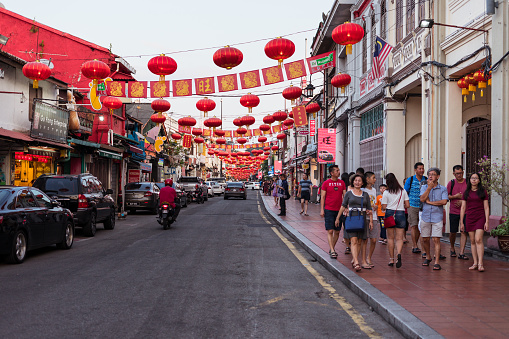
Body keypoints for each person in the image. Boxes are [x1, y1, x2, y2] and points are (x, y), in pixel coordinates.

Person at [335, 174, 372, 271]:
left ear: (362, 183)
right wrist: (338, 218)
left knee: (360, 241)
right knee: (354, 241)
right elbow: (343, 206)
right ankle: (356, 261)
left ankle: (355, 259)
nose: (357, 182)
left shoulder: (365, 195)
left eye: (359, 181)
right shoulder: (349, 194)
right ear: (353, 182)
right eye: (355, 180)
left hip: (362, 219)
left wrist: (370, 217)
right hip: (351, 218)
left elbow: (369, 208)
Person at [420, 168, 449, 270]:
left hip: (437, 217)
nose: (431, 176)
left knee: (436, 239)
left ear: (438, 176)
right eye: (429, 174)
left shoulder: (443, 189)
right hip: (426, 216)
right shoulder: (424, 187)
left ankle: (436, 261)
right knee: (425, 239)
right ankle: (428, 257)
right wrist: (429, 188)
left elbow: (444, 201)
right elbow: (422, 199)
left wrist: (431, 203)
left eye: (433, 174)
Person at [460, 172, 489, 272]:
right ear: (470, 180)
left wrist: (487, 221)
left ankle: (481, 263)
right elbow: (463, 207)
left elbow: (486, 207)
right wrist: (461, 222)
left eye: (476, 178)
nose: (474, 180)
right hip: (469, 217)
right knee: (472, 241)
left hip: (480, 217)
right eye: (472, 178)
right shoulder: (466, 192)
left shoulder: (483, 192)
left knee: (478, 239)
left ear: (479, 180)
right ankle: (475, 263)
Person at [381, 173, 409, 268]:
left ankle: (391, 259)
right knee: (399, 238)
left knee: (390, 238)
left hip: (389, 214)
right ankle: (399, 254)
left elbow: (384, 207)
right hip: (400, 214)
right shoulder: (402, 191)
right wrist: (401, 205)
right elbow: (408, 205)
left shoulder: (386, 192)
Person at [320, 165, 346, 259]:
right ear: (332, 173)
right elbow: (322, 197)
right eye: (337, 171)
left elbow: (345, 196)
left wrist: (345, 207)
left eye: (339, 170)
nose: (338, 172)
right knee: (330, 230)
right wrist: (322, 209)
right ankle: (332, 250)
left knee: (337, 231)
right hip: (329, 209)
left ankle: (332, 248)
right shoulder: (326, 183)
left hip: (339, 210)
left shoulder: (342, 183)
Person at [404, 162, 427, 254]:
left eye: (422, 168)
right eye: (419, 168)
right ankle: (414, 246)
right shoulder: (410, 179)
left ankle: (418, 244)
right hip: (412, 205)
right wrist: (406, 204)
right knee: (414, 226)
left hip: (424, 206)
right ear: (415, 170)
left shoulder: (426, 179)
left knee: (420, 226)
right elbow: (405, 192)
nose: (421, 170)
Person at [447, 165, 469, 259]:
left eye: (460, 173)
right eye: (457, 174)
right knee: (453, 232)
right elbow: (446, 197)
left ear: (463, 172)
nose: (459, 175)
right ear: (454, 174)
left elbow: (472, 196)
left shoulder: (468, 183)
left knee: (464, 231)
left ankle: (461, 252)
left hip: (466, 211)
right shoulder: (451, 183)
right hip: (454, 211)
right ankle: (452, 248)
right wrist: (455, 196)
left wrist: (463, 201)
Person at [363, 172, 379, 268]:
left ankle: (369, 257)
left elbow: (374, 202)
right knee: (364, 240)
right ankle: (364, 258)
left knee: (373, 239)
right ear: (367, 179)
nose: (375, 179)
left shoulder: (374, 190)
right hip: (365, 217)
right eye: (373, 178)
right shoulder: (362, 190)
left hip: (374, 216)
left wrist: (376, 206)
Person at [340, 172, 352, 254]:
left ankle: (346, 239)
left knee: (345, 226)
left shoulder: (345, 187)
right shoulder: (348, 187)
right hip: (349, 209)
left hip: (345, 209)